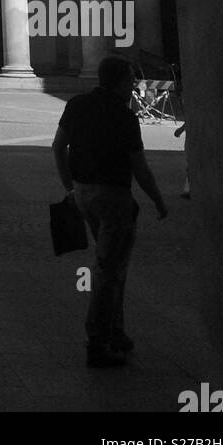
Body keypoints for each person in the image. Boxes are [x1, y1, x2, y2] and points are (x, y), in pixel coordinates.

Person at [52, 55, 168, 368]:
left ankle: (116, 331)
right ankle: (98, 341)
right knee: (108, 270)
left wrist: (69, 186)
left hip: (84, 193)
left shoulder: (77, 104)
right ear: (120, 81)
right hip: (113, 197)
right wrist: (157, 199)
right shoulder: (124, 116)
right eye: (131, 79)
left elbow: (57, 146)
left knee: (111, 264)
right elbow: (140, 168)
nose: (134, 84)